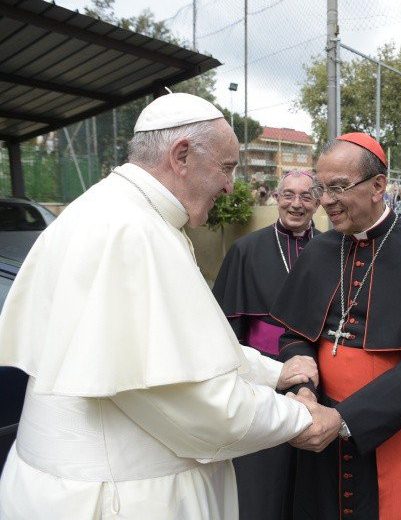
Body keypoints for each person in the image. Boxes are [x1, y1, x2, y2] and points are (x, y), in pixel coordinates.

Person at [0, 93, 326, 519]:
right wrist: (298, 418)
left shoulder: (110, 209)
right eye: (226, 168)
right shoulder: (133, 232)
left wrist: (276, 370)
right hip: (118, 498)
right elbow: (194, 397)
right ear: (182, 155)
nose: (230, 186)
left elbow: (183, 350)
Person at [269, 132, 401, 519]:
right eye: (322, 187)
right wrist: (303, 390)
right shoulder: (320, 249)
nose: (325, 200)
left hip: (398, 430)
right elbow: (295, 336)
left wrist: (346, 419)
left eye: (337, 187)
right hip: (318, 423)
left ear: (378, 185)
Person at [212, 169, 320, 520]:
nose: (296, 203)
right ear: (276, 197)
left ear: (317, 202)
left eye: (305, 196)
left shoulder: (333, 250)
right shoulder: (246, 249)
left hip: (319, 375)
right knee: (264, 476)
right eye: (288, 194)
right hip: (263, 377)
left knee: (312, 469)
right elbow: (228, 328)